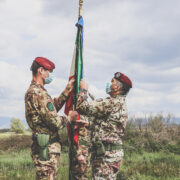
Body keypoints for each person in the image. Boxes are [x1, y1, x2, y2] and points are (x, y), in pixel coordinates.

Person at [25, 57, 77, 180]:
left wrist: (67, 90)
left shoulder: (36, 91)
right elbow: (54, 122)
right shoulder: (39, 93)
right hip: (47, 148)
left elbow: (50, 111)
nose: (49, 75)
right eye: (48, 71)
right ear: (41, 70)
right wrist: (69, 118)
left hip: (45, 146)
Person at [76, 72, 132, 180]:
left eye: (112, 81)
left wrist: (83, 90)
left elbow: (82, 107)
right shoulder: (120, 102)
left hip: (106, 156)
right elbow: (108, 127)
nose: (109, 83)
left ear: (117, 87)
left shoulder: (111, 102)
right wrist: (89, 124)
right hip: (109, 154)